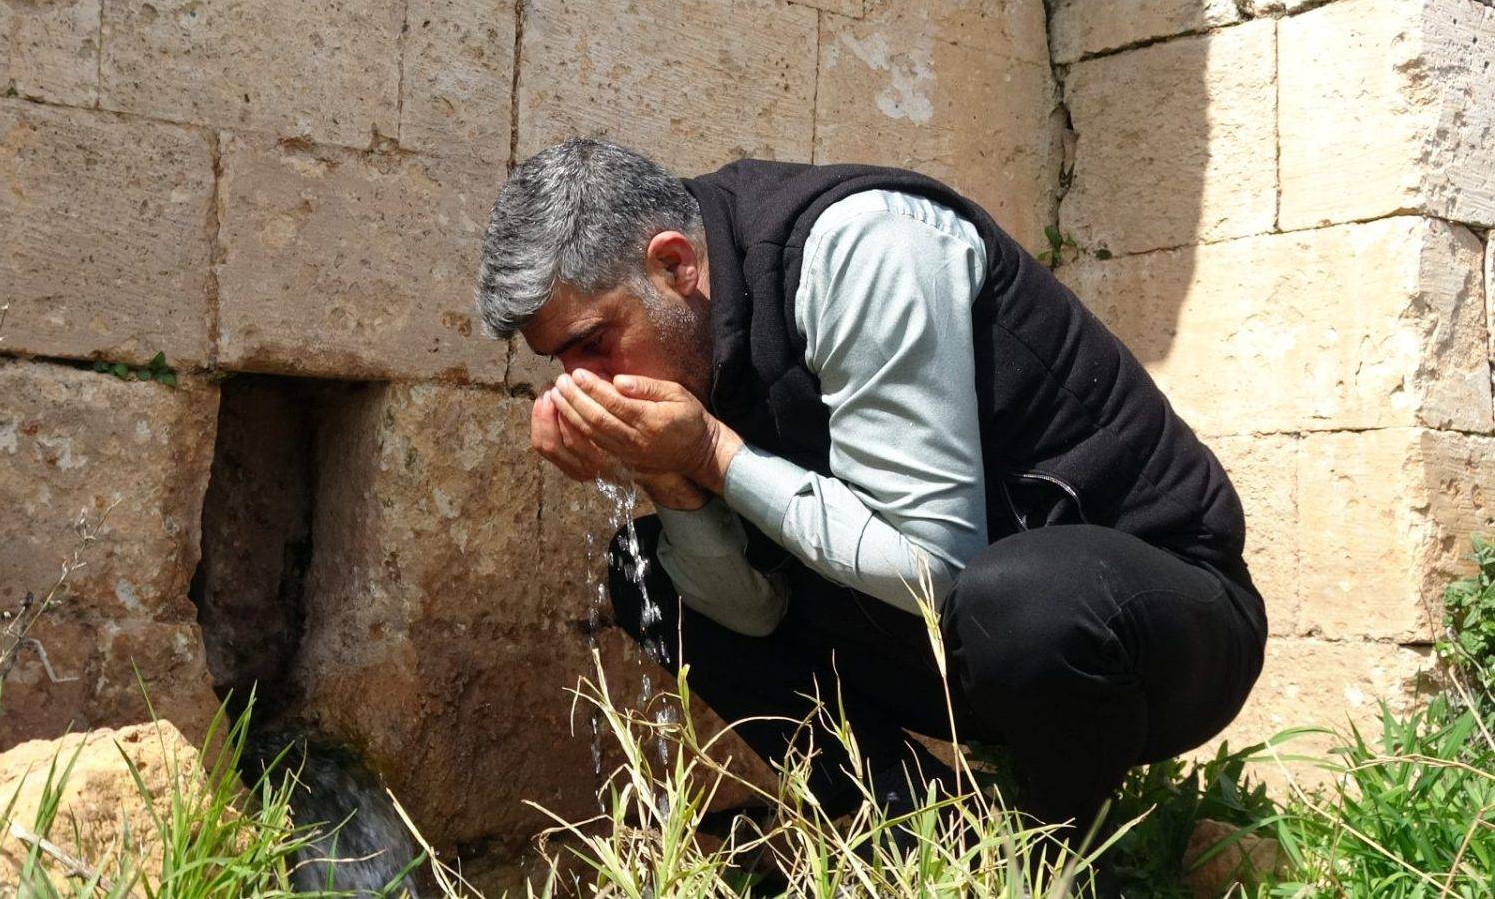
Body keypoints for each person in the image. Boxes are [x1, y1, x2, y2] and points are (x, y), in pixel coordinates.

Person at [473, 137, 1267, 833]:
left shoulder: (861, 248)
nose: (582, 386)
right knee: (649, 571)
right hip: (952, 642)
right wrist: (668, 478)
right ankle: (933, 841)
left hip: (1150, 630)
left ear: (675, 264)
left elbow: (935, 566)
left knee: (1016, 598)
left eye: (594, 344)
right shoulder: (679, 339)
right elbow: (749, 617)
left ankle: (1066, 862)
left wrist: (712, 451)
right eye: (562, 364)